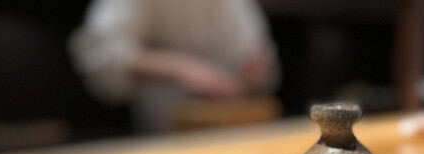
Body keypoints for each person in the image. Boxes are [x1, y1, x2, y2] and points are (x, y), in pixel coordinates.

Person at [70, 0, 280, 133]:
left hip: (236, 137)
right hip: (160, 141)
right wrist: (182, 69)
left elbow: (260, 52)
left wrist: (255, 70)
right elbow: (98, 53)